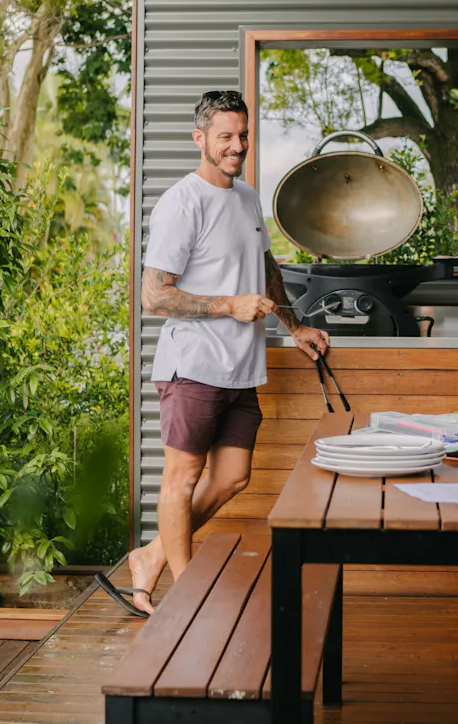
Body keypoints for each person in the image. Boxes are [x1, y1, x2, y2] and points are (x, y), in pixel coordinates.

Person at [109, 90, 329, 617]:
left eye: (243, 135)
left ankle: (150, 557)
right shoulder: (182, 203)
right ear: (200, 139)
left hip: (241, 368)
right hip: (194, 368)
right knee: (182, 479)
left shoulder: (248, 198)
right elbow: (154, 294)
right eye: (225, 136)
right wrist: (230, 305)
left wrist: (293, 325)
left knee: (232, 477)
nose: (236, 146)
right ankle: (185, 596)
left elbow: (266, 266)